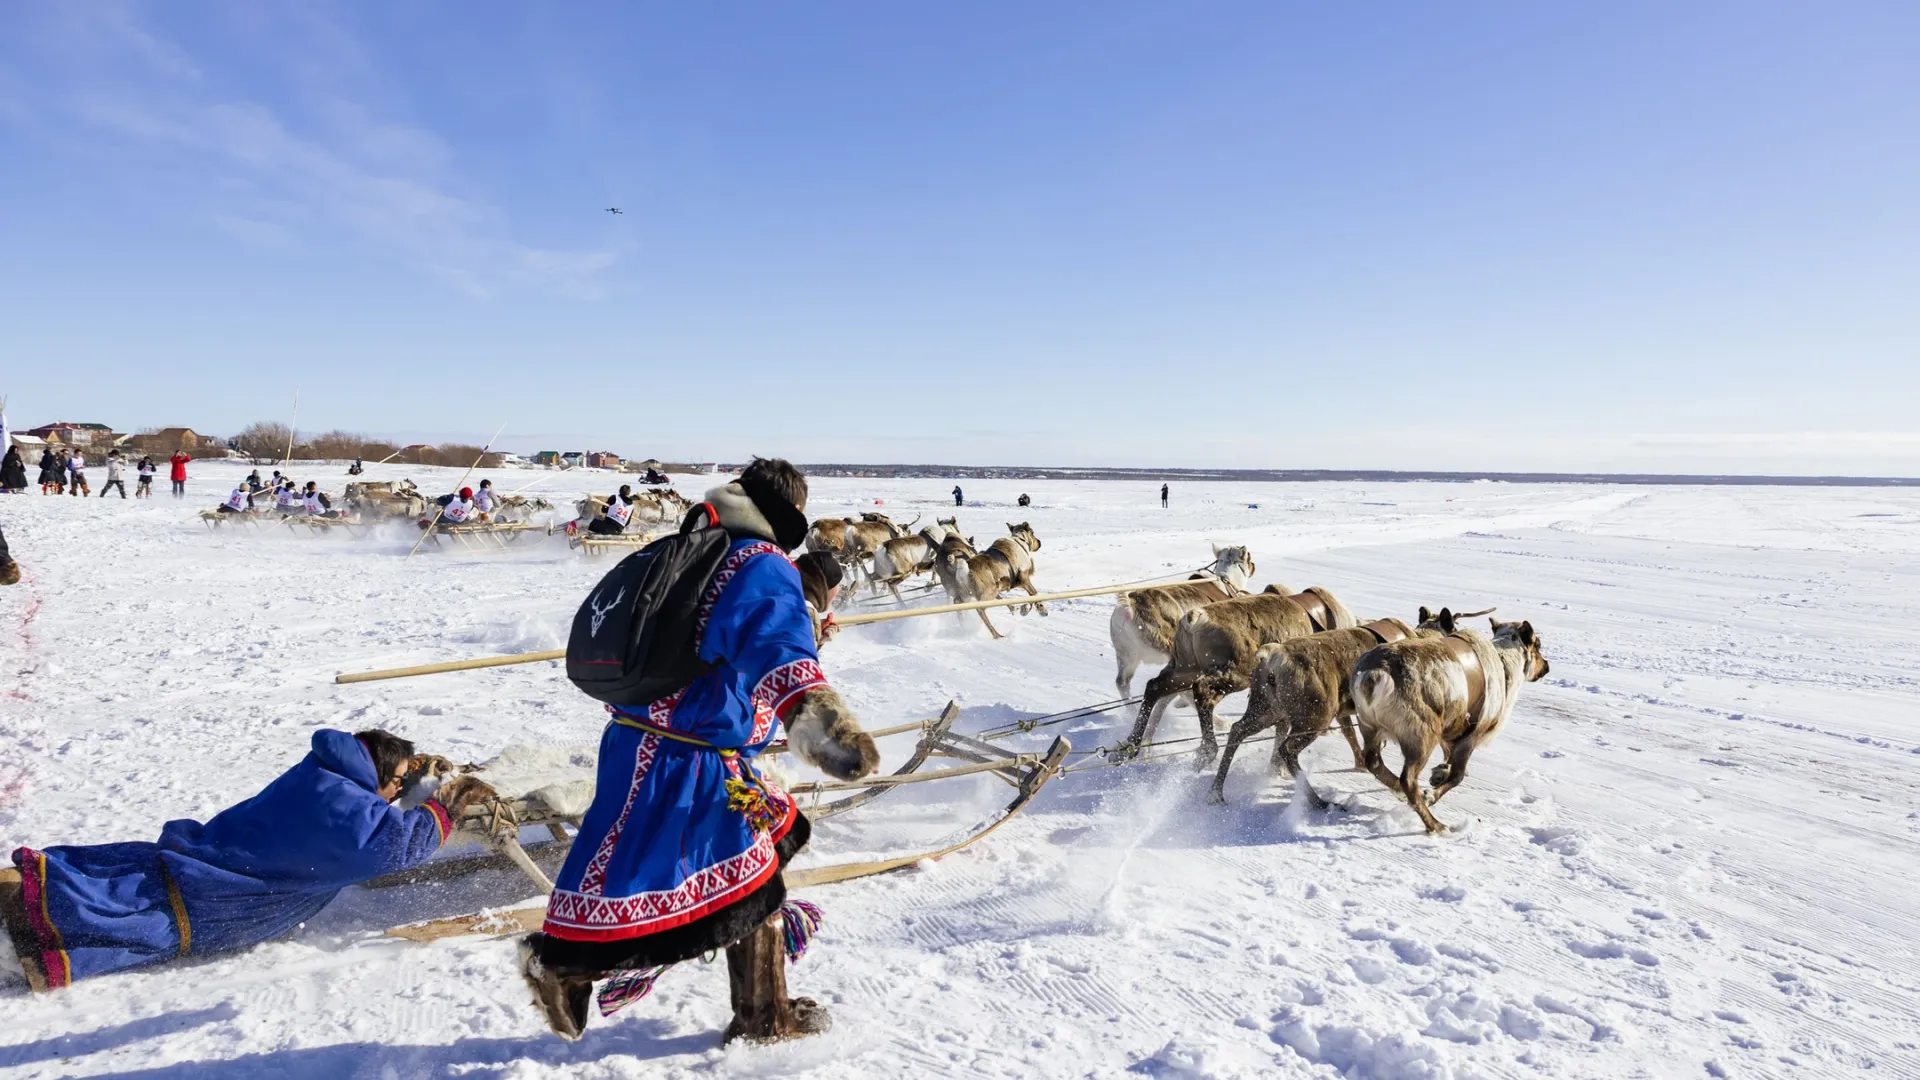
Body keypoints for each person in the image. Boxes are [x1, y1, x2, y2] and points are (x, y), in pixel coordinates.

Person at [517, 457, 879, 1043]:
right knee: (734, 886)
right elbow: (777, 647)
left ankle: (753, 1010)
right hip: (696, 759)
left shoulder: (693, 548)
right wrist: (827, 727)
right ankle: (757, 1018)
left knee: (646, 872)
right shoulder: (759, 564)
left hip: (636, 742)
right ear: (790, 510)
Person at [1, 729, 496, 991]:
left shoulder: (322, 773)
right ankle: (28, 936)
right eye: (395, 782)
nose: (394, 794)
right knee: (135, 913)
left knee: (116, 883)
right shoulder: (345, 809)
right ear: (380, 771)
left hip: (197, 854)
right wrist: (443, 805)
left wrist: (404, 780)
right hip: (217, 896)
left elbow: (369, 812)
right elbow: (390, 846)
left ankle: (25, 908)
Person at [795, 551, 844, 648]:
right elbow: (798, 659)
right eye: (836, 584)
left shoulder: (789, 598)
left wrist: (817, 637)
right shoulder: (805, 613)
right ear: (823, 587)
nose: (838, 591)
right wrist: (812, 630)